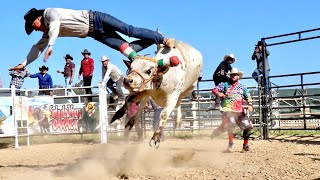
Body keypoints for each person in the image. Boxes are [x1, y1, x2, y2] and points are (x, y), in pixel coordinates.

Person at [9, 8, 176, 70]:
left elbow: (55, 25)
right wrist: (24, 63)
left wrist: (51, 45)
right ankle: (153, 37)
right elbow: (37, 48)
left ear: (37, 18)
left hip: (96, 18)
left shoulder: (49, 13)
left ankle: (161, 38)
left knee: (128, 30)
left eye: (34, 26)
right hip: (94, 32)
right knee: (127, 48)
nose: (36, 30)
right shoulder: (47, 32)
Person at [211, 68, 253, 153]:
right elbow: (214, 90)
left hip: (239, 110)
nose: (233, 76)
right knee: (230, 125)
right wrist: (219, 93)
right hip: (228, 109)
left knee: (248, 127)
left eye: (235, 75)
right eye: (232, 75)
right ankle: (230, 144)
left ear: (238, 76)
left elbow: (247, 96)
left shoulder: (242, 87)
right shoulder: (224, 84)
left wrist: (249, 104)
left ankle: (245, 146)